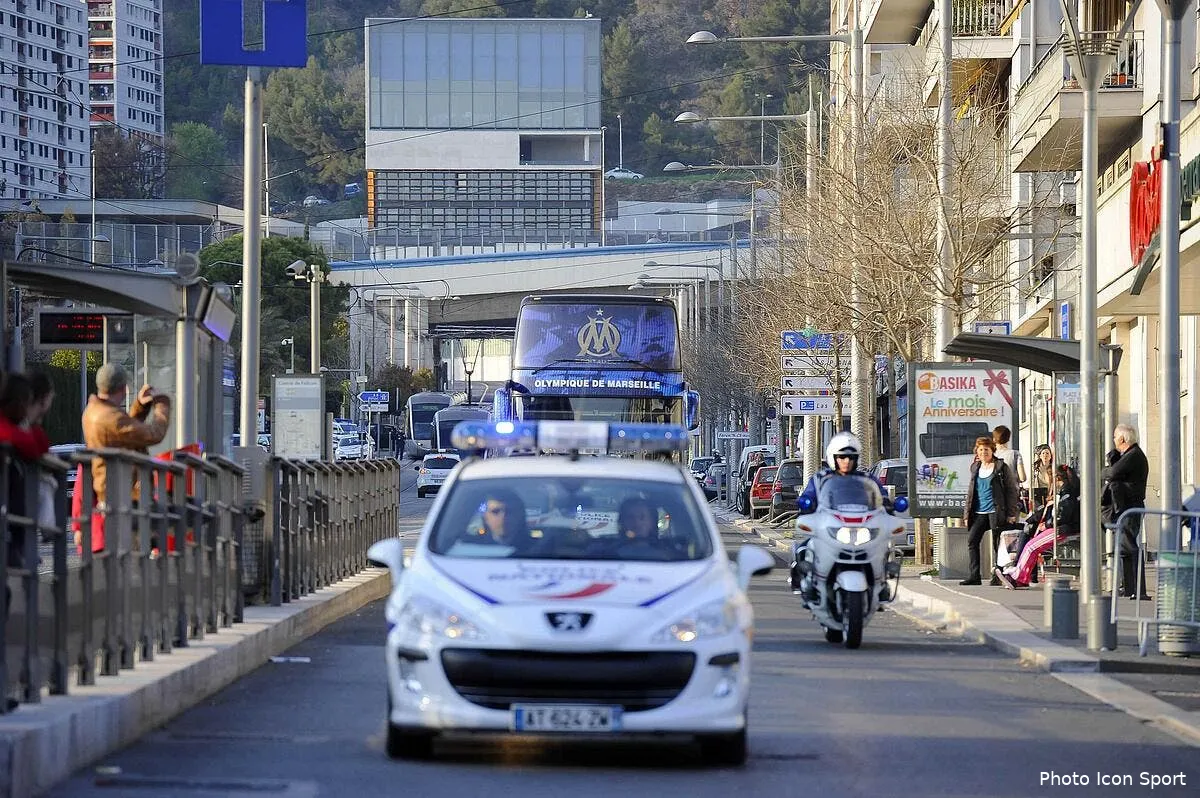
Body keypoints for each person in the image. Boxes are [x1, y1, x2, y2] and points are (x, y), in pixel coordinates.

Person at [78, 363, 171, 552]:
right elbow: (154, 434)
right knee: (182, 518)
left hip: (114, 494)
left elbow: (124, 435)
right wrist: (162, 404)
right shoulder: (111, 418)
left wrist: (140, 408)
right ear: (123, 388)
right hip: (125, 498)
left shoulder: (93, 411)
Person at [996, 465, 1079, 589]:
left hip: (1062, 528)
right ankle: (1022, 577)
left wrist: (1047, 524)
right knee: (1032, 546)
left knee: (1031, 547)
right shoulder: (1066, 491)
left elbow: (1062, 516)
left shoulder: (1066, 493)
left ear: (1056, 479)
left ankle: (1016, 576)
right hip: (1063, 527)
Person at [960, 436, 1019, 586]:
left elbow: (1011, 491)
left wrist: (1011, 513)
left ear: (992, 450)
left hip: (996, 511)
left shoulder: (1001, 467)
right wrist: (966, 513)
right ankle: (974, 576)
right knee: (972, 540)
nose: (983, 452)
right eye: (980, 450)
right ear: (977, 452)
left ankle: (998, 576)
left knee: (997, 544)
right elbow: (971, 491)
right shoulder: (975, 467)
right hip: (979, 512)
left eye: (986, 449)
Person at [1101, 423, 1149, 600]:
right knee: (1124, 547)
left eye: (1115, 436)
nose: (1114, 439)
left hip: (1130, 506)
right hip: (1126, 506)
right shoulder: (1128, 455)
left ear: (1122, 438)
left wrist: (1105, 470)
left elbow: (1112, 473)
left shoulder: (1134, 455)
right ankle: (1130, 588)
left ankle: (1139, 589)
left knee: (1129, 545)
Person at [1029, 444, 1054, 510]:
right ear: (1040, 455)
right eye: (1043, 453)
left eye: (1047, 453)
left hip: (1050, 492)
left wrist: (1050, 494)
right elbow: (1031, 481)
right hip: (1038, 492)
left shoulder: (1053, 468)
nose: (1045, 455)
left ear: (1050, 456)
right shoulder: (1036, 468)